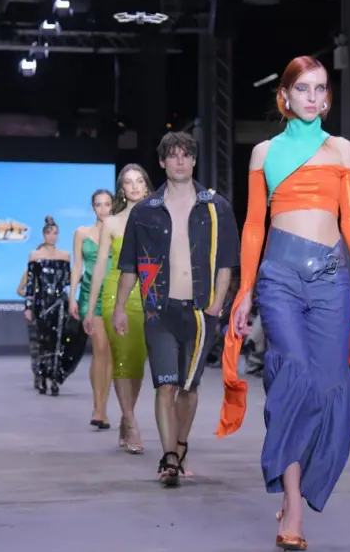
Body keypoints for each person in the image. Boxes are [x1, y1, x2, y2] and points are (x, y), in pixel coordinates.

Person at [217, 56, 350, 551]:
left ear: (327, 97)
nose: (313, 98)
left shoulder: (342, 149)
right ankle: (292, 504)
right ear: (285, 96)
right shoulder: (264, 153)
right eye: (303, 89)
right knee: (291, 373)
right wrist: (245, 290)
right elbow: (254, 225)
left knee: (330, 386)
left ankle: (305, 478)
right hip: (280, 276)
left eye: (320, 89)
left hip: (331, 278)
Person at [113, 132, 239, 487]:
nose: (180, 160)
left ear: (194, 160)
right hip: (158, 310)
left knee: (189, 387)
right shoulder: (145, 211)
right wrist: (120, 307)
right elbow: (130, 266)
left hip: (200, 311)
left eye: (186, 154)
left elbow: (226, 261)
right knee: (165, 385)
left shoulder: (216, 207)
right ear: (162, 161)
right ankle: (169, 457)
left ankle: (180, 446)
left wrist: (217, 304)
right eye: (173, 154)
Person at [84, 165, 153, 454]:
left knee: (137, 359)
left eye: (139, 181)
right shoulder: (111, 223)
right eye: (128, 182)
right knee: (123, 356)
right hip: (116, 293)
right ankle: (131, 420)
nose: (134, 186)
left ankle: (127, 416)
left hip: (149, 293)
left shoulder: (159, 218)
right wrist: (91, 309)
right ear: (121, 189)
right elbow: (100, 266)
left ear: (146, 185)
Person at [69, 189, 115, 430]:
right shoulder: (82, 233)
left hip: (113, 295)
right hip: (89, 295)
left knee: (108, 353)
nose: (103, 209)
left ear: (113, 206)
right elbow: (77, 266)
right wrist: (72, 297)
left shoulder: (118, 233)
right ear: (93, 207)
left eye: (107, 204)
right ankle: (98, 407)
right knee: (100, 348)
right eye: (99, 204)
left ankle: (103, 408)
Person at [24, 216, 85, 396]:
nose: (53, 236)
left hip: (59, 305)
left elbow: (66, 280)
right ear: (44, 235)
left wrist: (83, 277)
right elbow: (31, 284)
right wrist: (28, 307)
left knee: (59, 342)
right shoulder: (35, 256)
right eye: (50, 233)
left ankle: (55, 380)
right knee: (43, 342)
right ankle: (42, 377)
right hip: (41, 304)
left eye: (56, 233)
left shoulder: (64, 256)